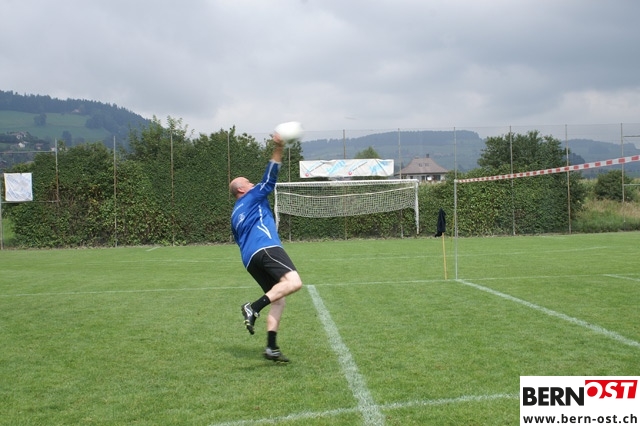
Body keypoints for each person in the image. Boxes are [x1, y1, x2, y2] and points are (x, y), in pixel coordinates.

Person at [229, 132, 303, 363]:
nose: (253, 184)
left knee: (279, 298)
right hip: (266, 247)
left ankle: (271, 347)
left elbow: (239, 240)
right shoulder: (252, 197)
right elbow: (270, 179)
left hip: (250, 260)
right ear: (242, 190)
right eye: (249, 183)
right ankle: (253, 307)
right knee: (294, 282)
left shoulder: (235, 214)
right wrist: (278, 148)